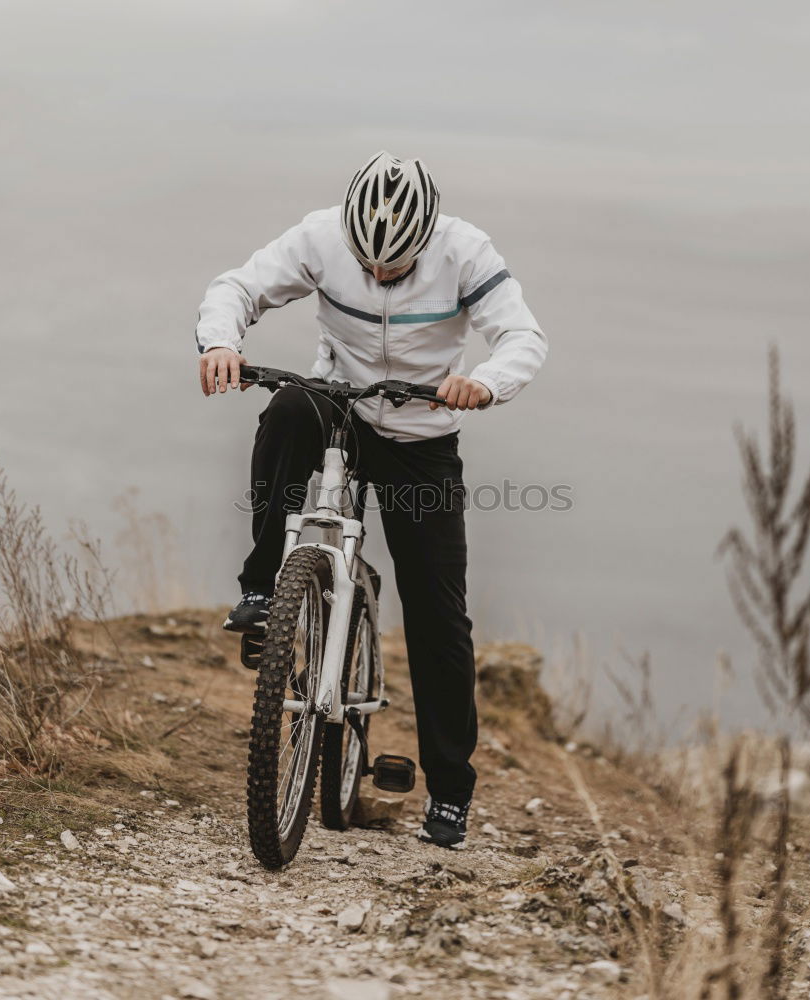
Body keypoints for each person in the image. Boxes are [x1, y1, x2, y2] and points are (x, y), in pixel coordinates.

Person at [195, 151, 547, 849]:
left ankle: (448, 792)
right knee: (291, 408)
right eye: (369, 263)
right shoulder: (320, 236)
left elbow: (522, 337)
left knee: (438, 615)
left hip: (421, 433)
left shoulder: (466, 251)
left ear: (426, 239)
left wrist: (485, 381)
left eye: (397, 266)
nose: (381, 273)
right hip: (342, 409)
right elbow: (237, 287)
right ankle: (265, 587)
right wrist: (220, 342)